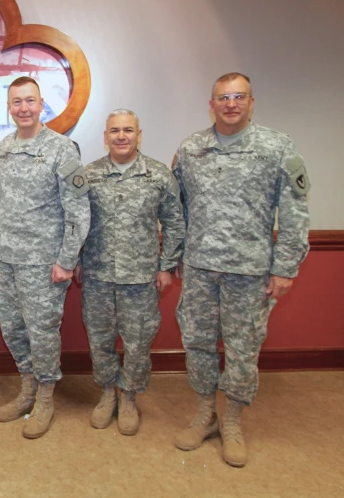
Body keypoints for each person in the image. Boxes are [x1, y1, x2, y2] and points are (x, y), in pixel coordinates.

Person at [172, 72, 310, 467]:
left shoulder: (277, 147)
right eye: (222, 97)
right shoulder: (191, 148)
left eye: (239, 97)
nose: (230, 104)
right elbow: (177, 210)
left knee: (242, 349)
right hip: (199, 268)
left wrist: (285, 267)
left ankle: (232, 420)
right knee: (197, 343)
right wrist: (176, 256)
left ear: (252, 102)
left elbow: (296, 211)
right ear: (211, 104)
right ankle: (205, 413)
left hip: (249, 271)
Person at [0, 76, 90, 439]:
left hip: (44, 262)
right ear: (9, 107)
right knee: (13, 329)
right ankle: (28, 388)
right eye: (16, 102)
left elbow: (78, 209)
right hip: (6, 257)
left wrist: (66, 259)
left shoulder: (62, 150)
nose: (23, 108)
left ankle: (46, 397)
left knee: (42, 332)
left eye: (29, 101)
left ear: (41, 103)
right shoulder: (3, 147)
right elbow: (2, 200)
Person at [76, 109, 184, 436]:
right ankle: (108, 392)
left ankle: (129, 396)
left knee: (137, 343)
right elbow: (76, 221)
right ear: (105, 136)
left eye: (128, 130)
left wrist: (167, 265)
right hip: (97, 276)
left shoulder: (159, 175)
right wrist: (77, 260)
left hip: (141, 278)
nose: (121, 136)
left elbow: (176, 223)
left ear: (140, 134)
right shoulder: (89, 175)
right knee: (100, 340)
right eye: (114, 131)